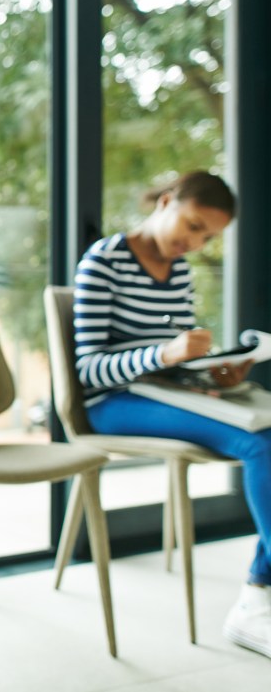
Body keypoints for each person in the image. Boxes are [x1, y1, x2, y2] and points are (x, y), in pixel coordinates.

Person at [73, 170, 271, 659]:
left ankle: (259, 595)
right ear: (166, 202)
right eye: (193, 224)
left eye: (208, 236)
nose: (195, 241)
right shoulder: (105, 260)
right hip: (113, 405)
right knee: (260, 443)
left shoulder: (178, 272)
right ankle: (256, 603)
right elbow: (88, 371)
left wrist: (216, 373)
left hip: (167, 395)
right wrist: (164, 355)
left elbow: (179, 361)